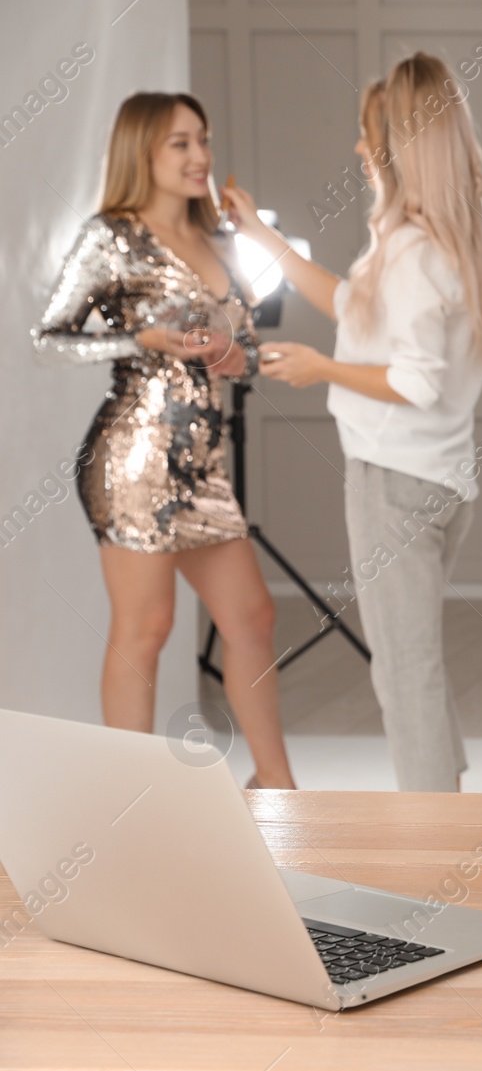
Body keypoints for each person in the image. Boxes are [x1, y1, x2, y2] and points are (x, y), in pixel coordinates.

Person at [226, 54, 482, 792]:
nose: (357, 149)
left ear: (397, 147)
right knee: (412, 657)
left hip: (397, 484)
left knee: (402, 666)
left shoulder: (415, 254)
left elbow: (414, 381)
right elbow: (352, 301)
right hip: (438, 484)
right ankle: (443, 797)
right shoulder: (443, 239)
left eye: (367, 135)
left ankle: (433, 831)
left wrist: (320, 369)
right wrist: (261, 237)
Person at [32, 92, 295, 789]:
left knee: (252, 616)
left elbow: (245, 341)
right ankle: (130, 802)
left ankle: (275, 783)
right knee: (147, 626)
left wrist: (237, 355)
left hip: (203, 461)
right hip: (134, 457)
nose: (200, 156)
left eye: (202, 139)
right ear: (141, 151)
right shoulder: (109, 236)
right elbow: (48, 341)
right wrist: (138, 338)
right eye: (180, 143)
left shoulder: (218, 236)